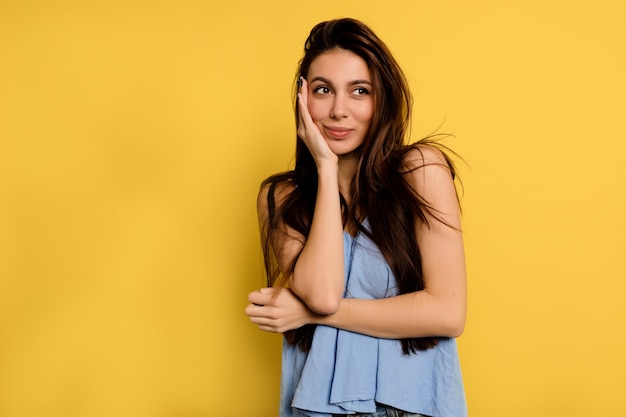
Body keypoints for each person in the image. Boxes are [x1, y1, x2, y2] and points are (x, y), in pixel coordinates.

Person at [245, 18, 467, 417]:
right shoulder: (282, 197)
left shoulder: (420, 171)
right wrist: (326, 170)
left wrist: (308, 313)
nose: (338, 111)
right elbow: (324, 293)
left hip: (411, 408)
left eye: (359, 91)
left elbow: (447, 313)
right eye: (323, 90)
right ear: (301, 98)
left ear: (381, 100)